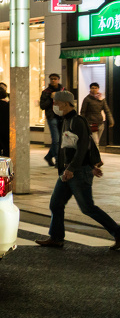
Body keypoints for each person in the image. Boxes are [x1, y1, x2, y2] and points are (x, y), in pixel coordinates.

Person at [38, 90, 120, 251]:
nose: (54, 105)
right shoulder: (66, 120)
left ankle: (118, 233)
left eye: (57, 102)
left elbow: (83, 146)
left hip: (77, 172)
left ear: (66, 103)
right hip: (68, 171)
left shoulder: (77, 121)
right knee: (56, 204)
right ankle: (56, 237)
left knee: (88, 208)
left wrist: (76, 168)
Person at [40, 73, 65, 166]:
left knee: (61, 140)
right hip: (52, 117)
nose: (53, 80)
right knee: (56, 140)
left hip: (62, 117)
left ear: (58, 80)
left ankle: (49, 156)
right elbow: (42, 106)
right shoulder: (46, 92)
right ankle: (58, 161)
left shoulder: (63, 91)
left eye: (55, 79)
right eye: (51, 79)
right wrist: (51, 99)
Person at [80, 83, 113, 148]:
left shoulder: (101, 99)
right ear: (90, 89)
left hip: (100, 123)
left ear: (98, 89)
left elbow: (107, 111)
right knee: (96, 141)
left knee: (96, 141)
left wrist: (111, 120)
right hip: (91, 123)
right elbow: (83, 112)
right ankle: (96, 157)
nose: (94, 89)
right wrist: (83, 122)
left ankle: (92, 154)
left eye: (95, 88)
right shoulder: (87, 99)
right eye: (92, 88)